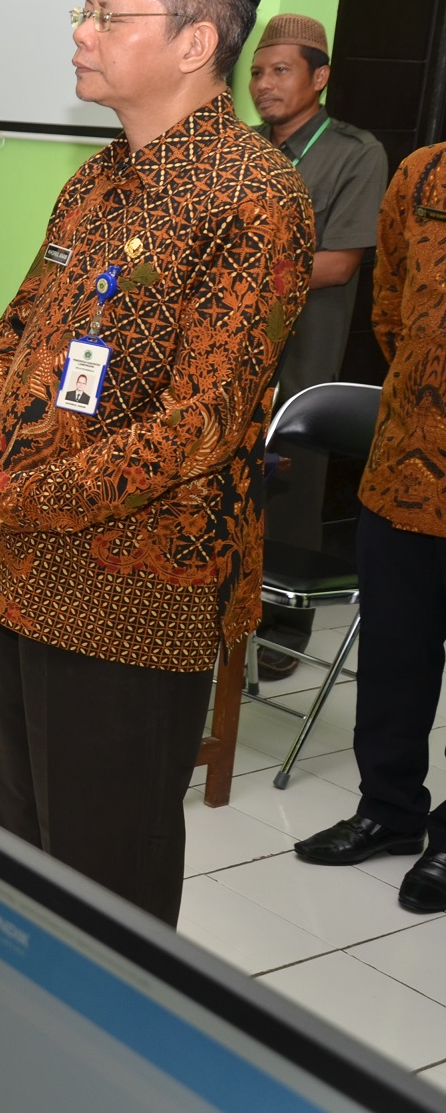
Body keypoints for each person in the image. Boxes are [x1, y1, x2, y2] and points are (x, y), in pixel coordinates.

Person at [0, 0, 313, 926]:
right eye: (84, 11)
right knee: (15, 851)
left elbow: (204, 422)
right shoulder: (94, 182)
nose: (80, 34)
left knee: (105, 880)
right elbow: (16, 335)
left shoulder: (257, 193)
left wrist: (7, 495)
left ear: (196, 41)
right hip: (20, 565)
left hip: (136, 588)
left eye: (109, 16)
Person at [291, 142, 446, 913]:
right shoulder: (421, 175)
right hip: (405, 472)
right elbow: (389, 309)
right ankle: (389, 811)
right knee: (394, 657)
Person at [245, 14, 389, 678]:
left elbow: (339, 263)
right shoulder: (241, 147)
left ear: (319, 76)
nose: (264, 85)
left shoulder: (355, 151)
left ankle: (283, 629)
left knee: (291, 478)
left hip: (304, 346)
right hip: (228, 345)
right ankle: (225, 607)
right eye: (256, 72)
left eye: (280, 71)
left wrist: (235, 276)